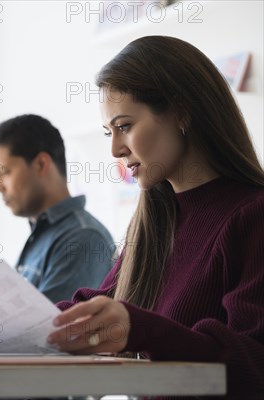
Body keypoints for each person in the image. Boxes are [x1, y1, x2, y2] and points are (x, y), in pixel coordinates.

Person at [47, 36, 264, 399]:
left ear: (181, 112)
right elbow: (96, 306)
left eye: (125, 126)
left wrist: (139, 328)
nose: (115, 149)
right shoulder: (153, 222)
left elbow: (253, 365)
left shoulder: (252, 217)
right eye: (109, 132)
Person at [0, 114, 115, 303]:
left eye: (5, 172)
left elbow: (44, 329)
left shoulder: (83, 239)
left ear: (41, 164)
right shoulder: (44, 235)